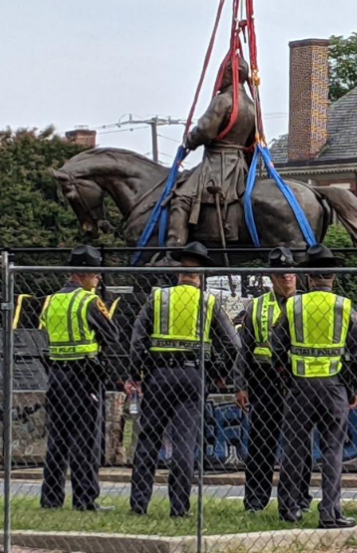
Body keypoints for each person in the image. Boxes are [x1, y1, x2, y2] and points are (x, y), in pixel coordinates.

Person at [127, 242, 240, 517]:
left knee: (149, 438)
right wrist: (218, 371)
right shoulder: (208, 302)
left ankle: (139, 503)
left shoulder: (158, 298)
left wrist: (135, 373)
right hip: (193, 375)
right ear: (200, 274)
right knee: (185, 442)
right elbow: (234, 344)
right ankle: (179, 507)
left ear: (179, 271)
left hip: (159, 375)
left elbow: (137, 339)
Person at [272, 244, 357, 528]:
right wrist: (352, 388)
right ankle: (330, 512)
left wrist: (288, 376)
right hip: (334, 388)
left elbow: (276, 347)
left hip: (300, 388)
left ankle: (288, 508)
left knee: (294, 449)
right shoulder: (344, 306)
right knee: (332, 450)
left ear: (308, 277)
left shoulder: (293, 306)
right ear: (333, 278)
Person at [39, 245, 119, 511]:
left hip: (56, 375)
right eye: (96, 274)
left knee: (58, 440)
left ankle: (51, 499)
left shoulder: (52, 300)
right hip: (83, 376)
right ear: (84, 273)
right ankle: (85, 499)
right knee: (85, 439)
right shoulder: (88, 301)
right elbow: (112, 334)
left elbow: (46, 328)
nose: (99, 279)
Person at [166, 54, 257, 248]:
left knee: (181, 196)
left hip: (217, 164)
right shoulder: (251, 105)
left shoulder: (223, 100)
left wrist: (189, 141)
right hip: (240, 164)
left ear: (227, 74)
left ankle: (173, 248)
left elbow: (206, 131)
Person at [234, 246, 300, 514]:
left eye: (290, 272)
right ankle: (255, 501)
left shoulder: (305, 302)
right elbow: (244, 348)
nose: (287, 277)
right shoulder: (258, 305)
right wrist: (240, 384)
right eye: (281, 273)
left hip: (297, 381)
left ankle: (298, 499)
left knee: (298, 446)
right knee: (261, 443)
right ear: (271, 277)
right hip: (264, 381)